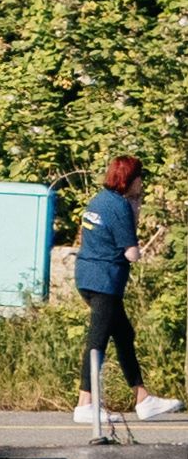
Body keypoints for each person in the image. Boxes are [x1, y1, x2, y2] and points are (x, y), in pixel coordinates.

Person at [81, 154, 145, 423]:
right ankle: (85, 403)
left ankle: (143, 398)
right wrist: (136, 212)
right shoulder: (119, 207)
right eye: (140, 178)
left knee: (124, 334)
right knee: (97, 341)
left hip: (87, 275)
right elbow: (131, 253)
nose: (142, 183)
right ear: (130, 179)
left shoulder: (98, 200)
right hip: (105, 281)